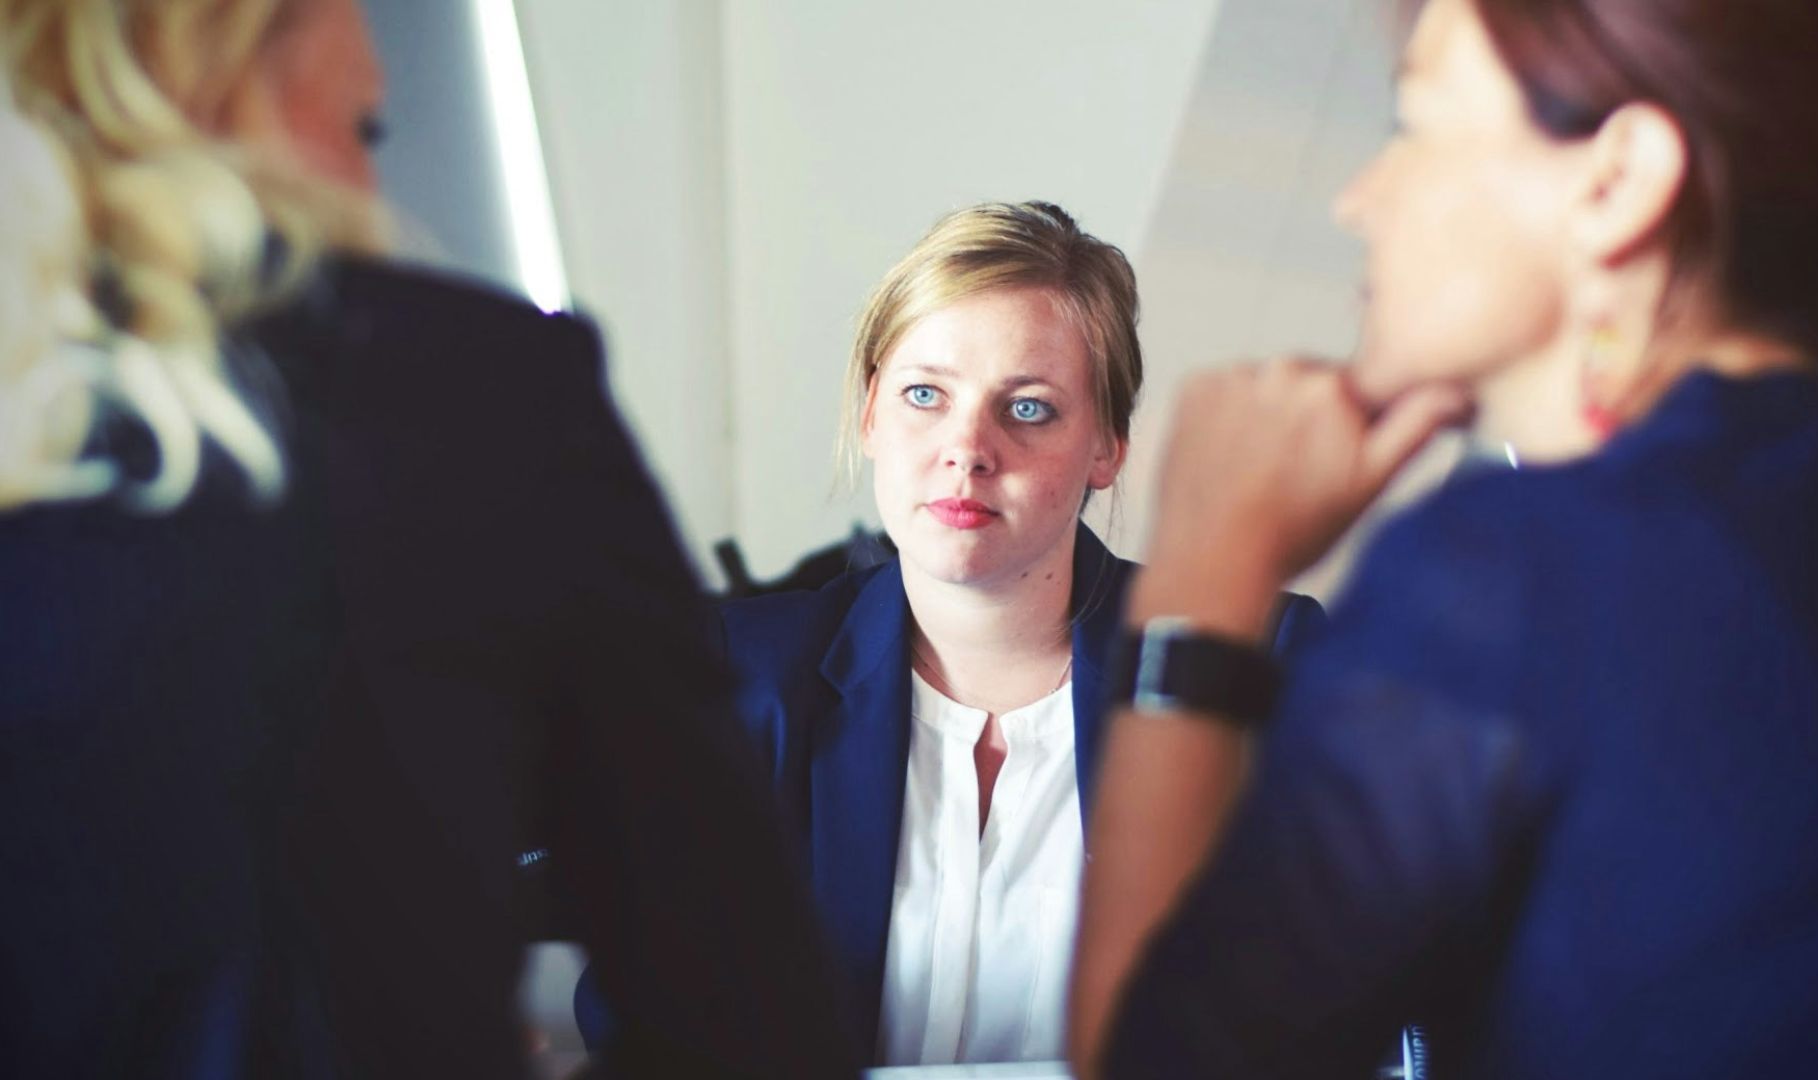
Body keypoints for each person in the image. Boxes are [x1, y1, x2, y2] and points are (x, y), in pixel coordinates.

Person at [0, 1, 853, 1077]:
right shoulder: (465, 395)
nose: (370, 189)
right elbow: (749, 1021)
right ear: (212, 55)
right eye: (367, 133)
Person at [1068, 0, 1818, 1076]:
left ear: (1616, 184)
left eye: (1413, 128)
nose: (1356, 201)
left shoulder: (1515, 573)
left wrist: (1203, 567)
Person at [577, 201, 1323, 1066]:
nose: (966, 449)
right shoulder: (731, 675)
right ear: (870, 416)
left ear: (1108, 447)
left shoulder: (1253, 662)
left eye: (1030, 409)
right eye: (924, 395)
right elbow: (642, 1032)